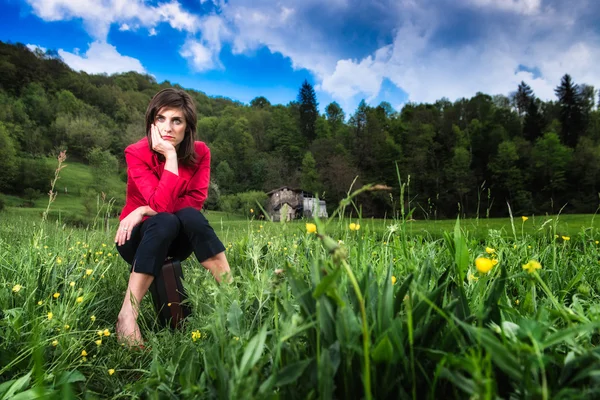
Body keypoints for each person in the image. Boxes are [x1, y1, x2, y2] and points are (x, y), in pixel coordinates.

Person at [114, 88, 231, 346]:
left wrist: (144, 208)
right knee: (165, 219)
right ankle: (127, 316)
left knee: (190, 216)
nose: (168, 128)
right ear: (151, 122)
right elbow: (164, 208)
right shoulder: (135, 152)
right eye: (161, 119)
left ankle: (233, 297)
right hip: (135, 238)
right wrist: (170, 157)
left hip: (176, 235)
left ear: (187, 127)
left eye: (176, 120)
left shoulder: (201, 153)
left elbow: (194, 202)